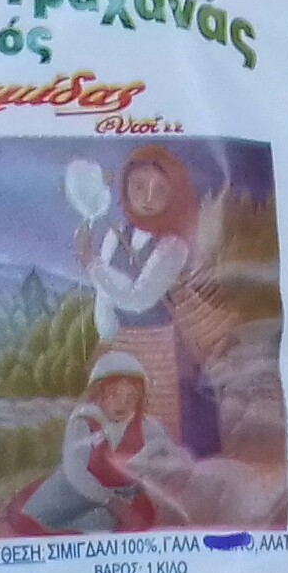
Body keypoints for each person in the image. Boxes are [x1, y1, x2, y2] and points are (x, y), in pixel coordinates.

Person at [80, 144, 199, 441]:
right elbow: (105, 296)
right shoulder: (115, 234)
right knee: (119, 423)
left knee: (158, 420)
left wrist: (92, 264)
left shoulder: (173, 245)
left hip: (159, 347)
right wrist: (106, 335)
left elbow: (139, 298)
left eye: (160, 190)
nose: (147, 198)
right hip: (121, 345)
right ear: (124, 188)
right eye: (138, 187)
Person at [20, 350, 172, 534]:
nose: (122, 404)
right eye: (114, 395)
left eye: (131, 397)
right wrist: (114, 503)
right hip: (69, 498)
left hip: (107, 508)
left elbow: (169, 454)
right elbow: (77, 473)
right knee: (49, 528)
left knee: (104, 524)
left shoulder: (146, 426)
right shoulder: (83, 420)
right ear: (99, 394)